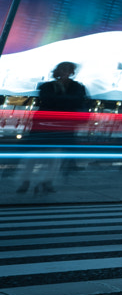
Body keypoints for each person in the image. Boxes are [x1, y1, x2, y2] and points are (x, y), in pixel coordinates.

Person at [18, 62, 90, 195]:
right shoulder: (70, 87)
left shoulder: (55, 86)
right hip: (51, 125)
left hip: (53, 125)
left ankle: (39, 182)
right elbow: (69, 101)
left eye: (67, 70)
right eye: (63, 70)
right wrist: (67, 102)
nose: (65, 73)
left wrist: (60, 100)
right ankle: (33, 181)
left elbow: (53, 101)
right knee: (41, 156)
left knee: (51, 157)